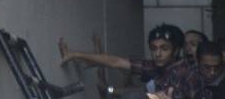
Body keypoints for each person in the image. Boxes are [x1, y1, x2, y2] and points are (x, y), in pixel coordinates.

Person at [61, 24, 193, 96]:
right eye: (154, 48)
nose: (158, 53)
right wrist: (75, 54)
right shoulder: (156, 66)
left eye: (164, 48)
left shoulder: (184, 72)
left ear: (176, 50)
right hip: (138, 92)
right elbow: (116, 62)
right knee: (129, 92)